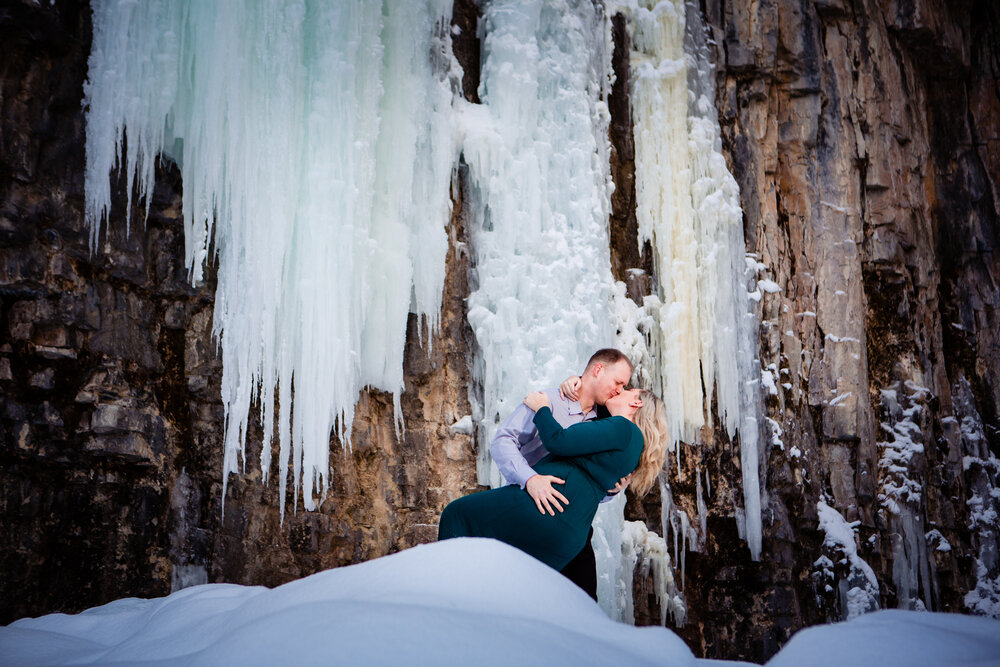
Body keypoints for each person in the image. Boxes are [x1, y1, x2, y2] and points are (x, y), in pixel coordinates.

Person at [438, 387, 668, 575]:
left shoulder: (623, 428)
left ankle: (445, 588)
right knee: (512, 579)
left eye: (628, 390)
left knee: (457, 514)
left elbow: (559, 441)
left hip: (544, 508)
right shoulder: (633, 449)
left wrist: (542, 408)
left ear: (636, 403)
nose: (621, 390)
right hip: (570, 536)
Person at [489, 348, 633, 598]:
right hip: (533, 515)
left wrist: (612, 487)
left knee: (584, 604)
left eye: (624, 387)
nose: (619, 390)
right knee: (529, 600)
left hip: (575, 529)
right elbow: (503, 440)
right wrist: (530, 479)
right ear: (598, 369)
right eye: (618, 382)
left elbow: (596, 487)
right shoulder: (548, 401)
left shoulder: (607, 422)